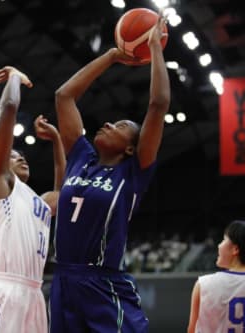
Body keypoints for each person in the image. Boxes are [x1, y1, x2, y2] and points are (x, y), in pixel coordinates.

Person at [49, 16, 170, 333]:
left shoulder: (133, 172)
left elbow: (158, 104)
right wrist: (113, 55)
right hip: (62, 279)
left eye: (119, 126)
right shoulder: (80, 157)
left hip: (103, 283)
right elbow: (64, 96)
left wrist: (155, 47)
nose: (107, 124)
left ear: (131, 148)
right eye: (110, 122)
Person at [0, 66, 65, 333]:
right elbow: (9, 109)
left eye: (21, 154)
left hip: (33, 295)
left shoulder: (37, 202)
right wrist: (14, 78)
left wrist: (56, 140)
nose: (20, 156)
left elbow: (63, 190)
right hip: (4, 291)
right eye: (12, 155)